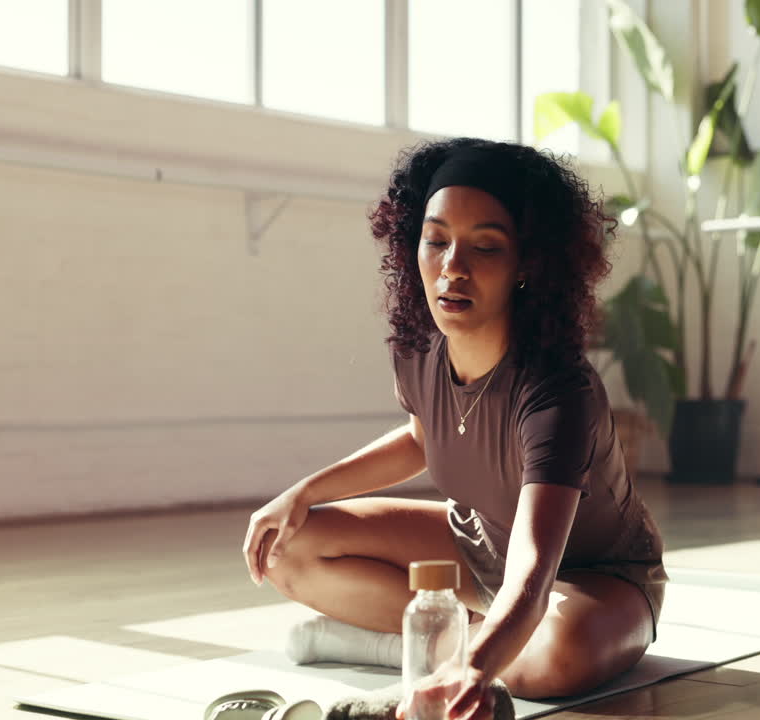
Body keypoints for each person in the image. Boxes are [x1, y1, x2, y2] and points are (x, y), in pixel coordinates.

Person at [242, 138, 666, 720]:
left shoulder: (558, 391)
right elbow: (422, 440)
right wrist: (303, 493)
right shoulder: (420, 348)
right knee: (285, 548)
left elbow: (532, 573)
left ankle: (420, 647)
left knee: (561, 654)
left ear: (527, 264)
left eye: (485, 247)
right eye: (437, 240)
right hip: (479, 544)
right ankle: (450, 640)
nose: (453, 268)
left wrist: (477, 671)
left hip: (594, 578)